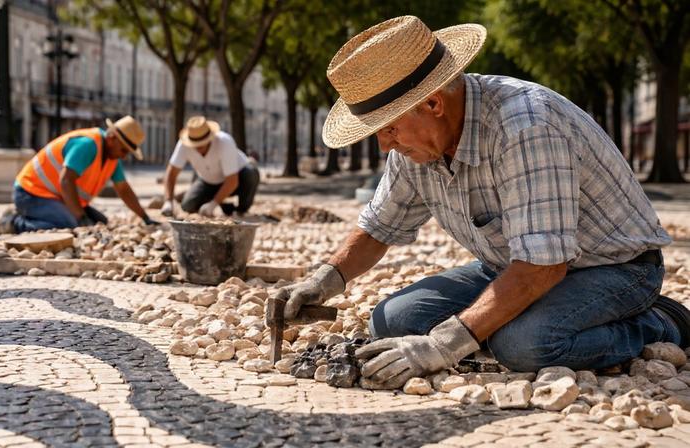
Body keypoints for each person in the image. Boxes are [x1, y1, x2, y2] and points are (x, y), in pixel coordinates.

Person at [276, 16, 689, 389]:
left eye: (388, 129)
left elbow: (545, 266)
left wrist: (444, 345)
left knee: (524, 346)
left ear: (433, 103)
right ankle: (502, 321)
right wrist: (323, 280)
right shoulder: (416, 145)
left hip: (614, 268)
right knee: (393, 322)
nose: (384, 144)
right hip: (514, 265)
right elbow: (379, 226)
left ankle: (662, 323)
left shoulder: (527, 126)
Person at [0, 116, 158, 240]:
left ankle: (34, 217)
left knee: (101, 224)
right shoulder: (88, 145)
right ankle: (12, 222)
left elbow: (123, 189)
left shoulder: (112, 158)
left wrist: (145, 217)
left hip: (56, 198)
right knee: (69, 225)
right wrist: (79, 217)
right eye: (124, 150)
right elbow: (66, 181)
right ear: (112, 138)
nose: (124, 156)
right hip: (29, 193)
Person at [161, 116, 260, 217]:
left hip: (238, 179)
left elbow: (232, 181)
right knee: (188, 206)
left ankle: (241, 210)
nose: (198, 148)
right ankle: (225, 206)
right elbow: (171, 173)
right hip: (208, 181)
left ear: (209, 139)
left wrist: (213, 204)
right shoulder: (184, 144)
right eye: (195, 144)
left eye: (201, 144)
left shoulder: (224, 142)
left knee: (250, 174)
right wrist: (168, 201)